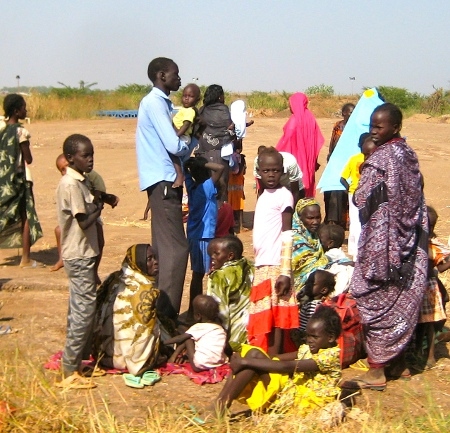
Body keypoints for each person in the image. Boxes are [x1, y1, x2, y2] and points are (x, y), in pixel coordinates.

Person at [343, 103, 428, 391]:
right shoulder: (408, 155)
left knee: (371, 294)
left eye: (379, 127)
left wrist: (359, 194)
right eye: (371, 126)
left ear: (395, 127)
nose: (374, 131)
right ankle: (399, 363)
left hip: (383, 246)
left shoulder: (380, 159)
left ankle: (377, 370)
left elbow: (362, 198)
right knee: (401, 297)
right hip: (408, 243)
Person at [136, 57, 197, 321]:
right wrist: (191, 140)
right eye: (176, 75)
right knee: (176, 249)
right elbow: (173, 145)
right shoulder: (154, 103)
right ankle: (167, 316)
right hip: (164, 182)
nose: (180, 80)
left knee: (163, 248)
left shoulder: (159, 103)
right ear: (162, 75)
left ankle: (159, 314)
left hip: (159, 181)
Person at [211, 306, 342, 417]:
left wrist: (246, 362)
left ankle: (221, 406)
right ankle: (220, 402)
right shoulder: (308, 349)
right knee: (253, 354)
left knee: (250, 363)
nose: (309, 340)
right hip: (292, 391)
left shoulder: (329, 357)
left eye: (314, 337)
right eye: (307, 335)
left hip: (299, 401)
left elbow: (287, 366)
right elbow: (278, 359)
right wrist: (247, 358)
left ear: (330, 337)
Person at [55, 134, 103, 389]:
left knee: (80, 309)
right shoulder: (71, 185)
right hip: (78, 254)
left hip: (82, 253)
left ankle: (75, 363)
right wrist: (99, 205)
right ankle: (69, 370)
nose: (90, 159)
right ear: (71, 158)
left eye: (92, 154)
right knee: (83, 311)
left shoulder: (80, 181)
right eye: (85, 155)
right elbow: (83, 221)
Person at [248, 147, 299, 355]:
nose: (271, 175)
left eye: (276, 171)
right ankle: (267, 350)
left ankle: (275, 354)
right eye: (267, 170)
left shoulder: (284, 196)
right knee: (265, 308)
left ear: (283, 171)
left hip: (276, 262)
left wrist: (285, 271)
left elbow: (288, 233)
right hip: (263, 261)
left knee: (277, 310)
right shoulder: (263, 194)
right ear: (259, 171)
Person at [92, 244, 164, 378]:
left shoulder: (115, 277)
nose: (156, 262)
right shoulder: (145, 289)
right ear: (139, 262)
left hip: (102, 354)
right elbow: (144, 332)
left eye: (155, 257)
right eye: (149, 259)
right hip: (130, 360)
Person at [51, 154, 119, 283]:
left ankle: (94, 271)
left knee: (98, 239)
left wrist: (104, 201)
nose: (65, 171)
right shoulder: (68, 183)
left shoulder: (90, 177)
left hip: (91, 214)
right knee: (59, 230)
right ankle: (62, 258)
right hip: (75, 217)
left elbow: (100, 194)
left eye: (66, 167)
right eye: (61, 170)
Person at [0, 94, 43, 267]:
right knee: (26, 217)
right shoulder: (21, 132)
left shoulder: (2, 131)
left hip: (3, 181)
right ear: (17, 111)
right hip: (19, 181)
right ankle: (25, 259)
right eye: (24, 107)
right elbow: (29, 159)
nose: (26, 110)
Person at [184, 157, 224, 316]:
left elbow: (186, 174)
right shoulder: (206, 187)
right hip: (204, 236)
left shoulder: (192, 186)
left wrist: (188, 166)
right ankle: (199, 311)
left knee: (197, 274)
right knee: (207, 273)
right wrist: (202, 163)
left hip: (194, 235)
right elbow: (220, 168)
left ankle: (193, 310)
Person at [416, 206, 450, 369]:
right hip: (426, 286)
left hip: (426, 287)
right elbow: (441, 268)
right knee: (424, 323)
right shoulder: (429, 244)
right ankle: (423, 353)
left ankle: (426, 354)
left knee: (426, 323)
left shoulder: (427, 244)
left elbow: (440, 268)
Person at [207, 236, 254, 352]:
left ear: (230, 256)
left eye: (216, 254)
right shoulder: (249, 265)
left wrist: (220, 340)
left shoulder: (219, 277)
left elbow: (220, 311)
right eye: (210, 254)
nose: (212, 258)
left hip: (233, 338)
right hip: (251, 329)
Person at [276, 93, 324, 197]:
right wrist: (314, 160)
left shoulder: (294, 119)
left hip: (296, 159)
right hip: (308, 159)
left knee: (295, 188)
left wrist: (275, 154)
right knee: (307, 182)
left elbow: (286, 140)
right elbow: (317, 141)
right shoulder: (311, 118)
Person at [164, 295, 227, 372]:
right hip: (218, 363)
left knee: (187, 338)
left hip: (198, 366)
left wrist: (163, 342)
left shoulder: (198, 327)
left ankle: (173, 357)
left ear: (198, 316)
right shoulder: (220, 328)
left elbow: (180, 338)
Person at [340, 133, 376, 259]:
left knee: (354, 221)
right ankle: (359, 252)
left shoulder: (353, 158)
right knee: (362, 222)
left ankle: (353, 250)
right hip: (365, 194)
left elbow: (342, 178)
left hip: (354, 193)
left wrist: (349, 190)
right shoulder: (374, 158)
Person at [196, 84, 235, 200]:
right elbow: (230, 130)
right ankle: (220, 215)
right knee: (221, 187)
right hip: (219, 154)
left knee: (204, 186)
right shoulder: (223, 110)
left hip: (202, 152)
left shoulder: (201, 110)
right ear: (219, 97)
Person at [323, 103, 355, 227]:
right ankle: (332, 220)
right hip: (337, 162)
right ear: (344, 113)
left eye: (354, 112)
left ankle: (343, 220)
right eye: (350, 112)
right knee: (331, 190)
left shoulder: (357, 127)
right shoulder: (339, 126)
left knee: (345, 190)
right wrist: (330, 155)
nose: (352, 115)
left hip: (350, 163)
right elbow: (333, 142)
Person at [291, 199, 328, 294]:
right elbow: (309, 268)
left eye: (318, 217)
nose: (315, 222)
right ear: (299, 218)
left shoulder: (313, 236)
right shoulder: (295, 239)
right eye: (310, 218)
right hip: (299, 286)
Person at [171, 83, 201, 188]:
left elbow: (186, 124)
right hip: (181, 136)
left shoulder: (190, 111)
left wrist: (176, 136)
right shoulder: (184, 110)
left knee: (173, 153)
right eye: (185, 96)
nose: (187, 99)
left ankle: (180, 176)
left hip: (183, 137)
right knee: (179, 159)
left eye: (191, 96)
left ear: (197, 99)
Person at [318, 224, 354, 296]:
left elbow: (321, 265)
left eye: (320, 239)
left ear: (330, 243)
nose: (318, 242)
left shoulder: (331, 254)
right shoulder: (339, 252)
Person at [228, 141, 247, 232]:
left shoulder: (228, 157)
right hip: (239, 184)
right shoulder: (241, 158)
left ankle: (231, 224)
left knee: (230, 203)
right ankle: (241, 225)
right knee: (239, 204)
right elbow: (243, 171)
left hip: (230, 184)